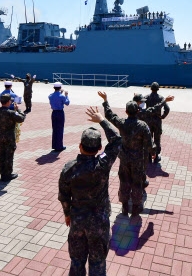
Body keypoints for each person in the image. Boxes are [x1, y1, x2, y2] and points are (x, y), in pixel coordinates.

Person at [58, 106, 122, 276]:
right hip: (99, 222)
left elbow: (63, 195)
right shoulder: (103, 165)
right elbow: (117, 140)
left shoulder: (69, 169)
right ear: (100, 147)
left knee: (77, 261)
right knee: (98, 262)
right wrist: (102, 120)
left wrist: (67, 213)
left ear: (80, 146)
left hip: (78, 220)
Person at [99, 91, 153, 216]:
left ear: (126, 111)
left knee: (124, 181)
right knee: (137, 183)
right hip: (138, 160)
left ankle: (124, 207)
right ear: (138, 111)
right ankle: (135, 207)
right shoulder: (143, 126)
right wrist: (153, 152)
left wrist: (105, 101)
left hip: (124, 159)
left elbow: (109, 115)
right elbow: (149, 145)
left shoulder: (122, 123)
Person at [134, 93, 175, 188]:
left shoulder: (136, 109)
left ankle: (149, 158)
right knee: (156, 140)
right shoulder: (144, 110)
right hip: (156, 123)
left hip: (145, 126)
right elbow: (156, 109)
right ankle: (155, 157)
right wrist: (164, 103)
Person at [0, 94, 26, 181]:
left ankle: (2, 173)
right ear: (8, 102)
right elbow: (21, 118)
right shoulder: (11, 113)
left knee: (2, 155)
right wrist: (18, 109)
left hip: (0, 137)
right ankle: (7, 174)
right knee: (9, 156)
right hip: (9, 138)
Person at [144, 82, 170, 163]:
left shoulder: (146, 97)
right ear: (158, 89)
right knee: (157, 139)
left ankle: (148, 156)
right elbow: (167, 109)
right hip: (157, 121)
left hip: (148, 121)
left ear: (151, 88)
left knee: (148, 139)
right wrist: (162, 116)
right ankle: (156, 157)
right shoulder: (161, 98)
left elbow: (141, 106)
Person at [49, 82, 70, 152]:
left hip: (54, 113)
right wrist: (66, 95)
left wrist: (60, 92)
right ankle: (59, 146)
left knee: (54, 129)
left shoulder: (50, 96)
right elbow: (67, 103)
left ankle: (54, 145)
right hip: (60, 113)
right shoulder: (62, 96)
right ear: (60, 88)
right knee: (60, 129)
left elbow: (55, 96)